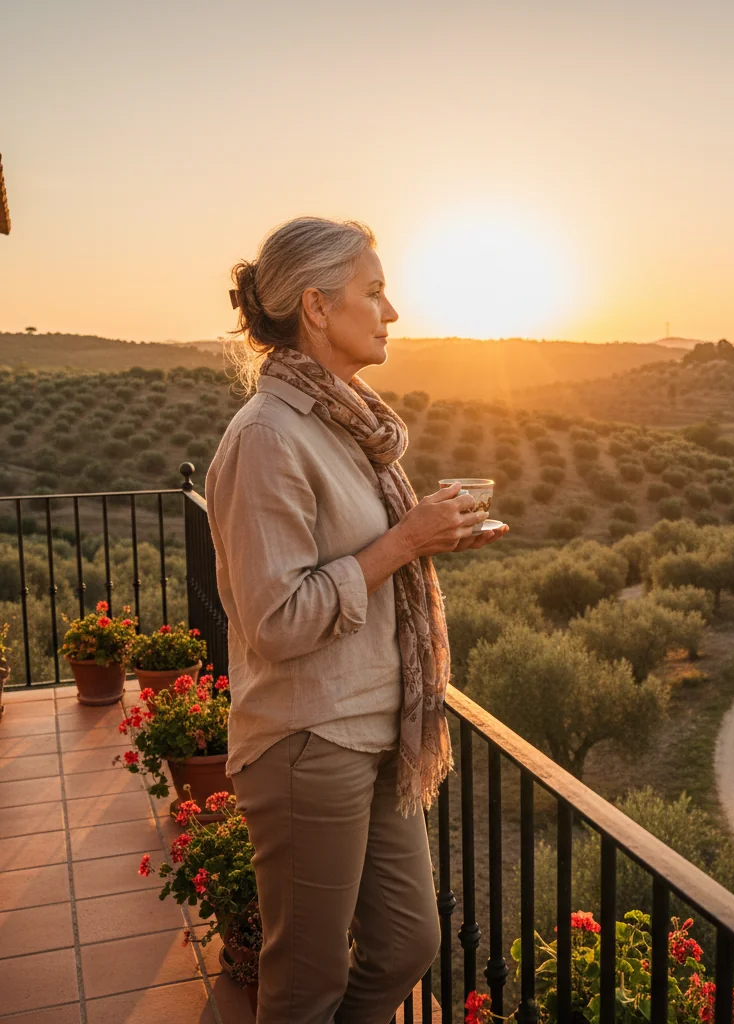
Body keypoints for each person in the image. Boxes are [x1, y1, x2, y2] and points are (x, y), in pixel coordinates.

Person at [204, 215, 509, 1024]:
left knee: (409, 943)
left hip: (371, 728)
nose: (391, 311)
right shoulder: (268, 437)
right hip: (309, 741)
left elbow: (368, 557)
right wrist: (405, 542)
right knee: (306, 986)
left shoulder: (345, 425)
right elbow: (277, 618)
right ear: (315, 306)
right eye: (373, 292)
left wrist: (428, 539)